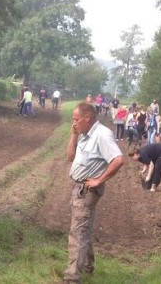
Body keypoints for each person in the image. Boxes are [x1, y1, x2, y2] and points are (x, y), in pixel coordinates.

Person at [63, 102, 125, 283]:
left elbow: (118, 160)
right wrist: (73, 135)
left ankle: (72, 278)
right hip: (79, 187)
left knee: (77, 232)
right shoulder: (84, 134)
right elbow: (70, 157)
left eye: (76, 119)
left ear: (87, 118)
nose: (73, 123)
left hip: (88, 190)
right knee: (85, 229)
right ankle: (88, 266)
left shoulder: (102, 135)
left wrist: (99, 180)